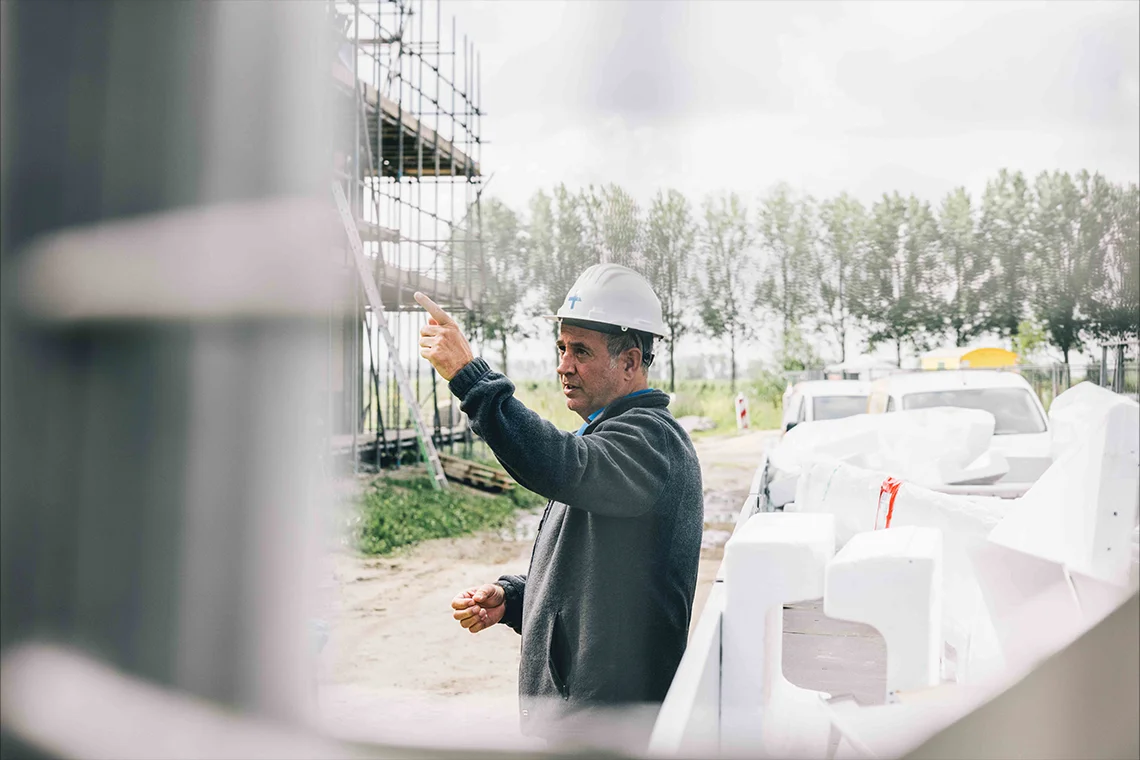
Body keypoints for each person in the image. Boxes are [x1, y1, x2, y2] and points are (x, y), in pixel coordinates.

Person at [413, 263, 703, 748]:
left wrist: (470, 377)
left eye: (581, 351)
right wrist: (515, 600)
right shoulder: (609, 439)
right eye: (562, 349)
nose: (563, 365)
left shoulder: (652, 443)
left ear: (631, 362)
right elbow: (603, 595)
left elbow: (561, 464)